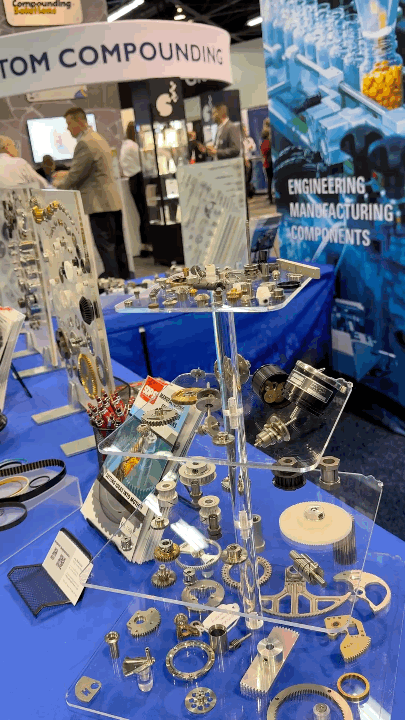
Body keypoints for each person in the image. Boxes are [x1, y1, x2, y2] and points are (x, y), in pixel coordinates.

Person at [54, 107, 129, 279]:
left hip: (99, 204)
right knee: (117, 246)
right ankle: (123, 281)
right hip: (110, 201)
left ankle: (114, 283)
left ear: (79, 121)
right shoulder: (97, 137)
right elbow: (89, 169)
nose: (67, 128)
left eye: (69, 123)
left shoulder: (85, 143)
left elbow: (75, 175)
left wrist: (58, 185)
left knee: (107, 247)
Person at [119, 121, 150, 258]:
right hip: (138, 179)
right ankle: (147, 245)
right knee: (145, 214)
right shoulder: (133, 146)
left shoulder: (125, 146)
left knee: (141, 214)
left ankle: (145, 245)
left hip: (133, 180)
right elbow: (144, 162)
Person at [242, 124, 257, 198]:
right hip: (244, 161)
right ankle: (246, 194)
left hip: (250, 159)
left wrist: (251, 147)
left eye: (246, 130)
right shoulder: (240, 140)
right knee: (245, 178)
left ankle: (248, 193)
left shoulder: (250, 139)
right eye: (244, 130)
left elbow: (254, 147)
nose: (245, 132)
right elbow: (243, 151)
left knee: (250, 177)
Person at [261, 126, 274, 205]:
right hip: (271, 163)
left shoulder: (262, 144)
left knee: (269, 181)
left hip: (266, 164)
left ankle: (270, 198)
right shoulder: (270, 143)